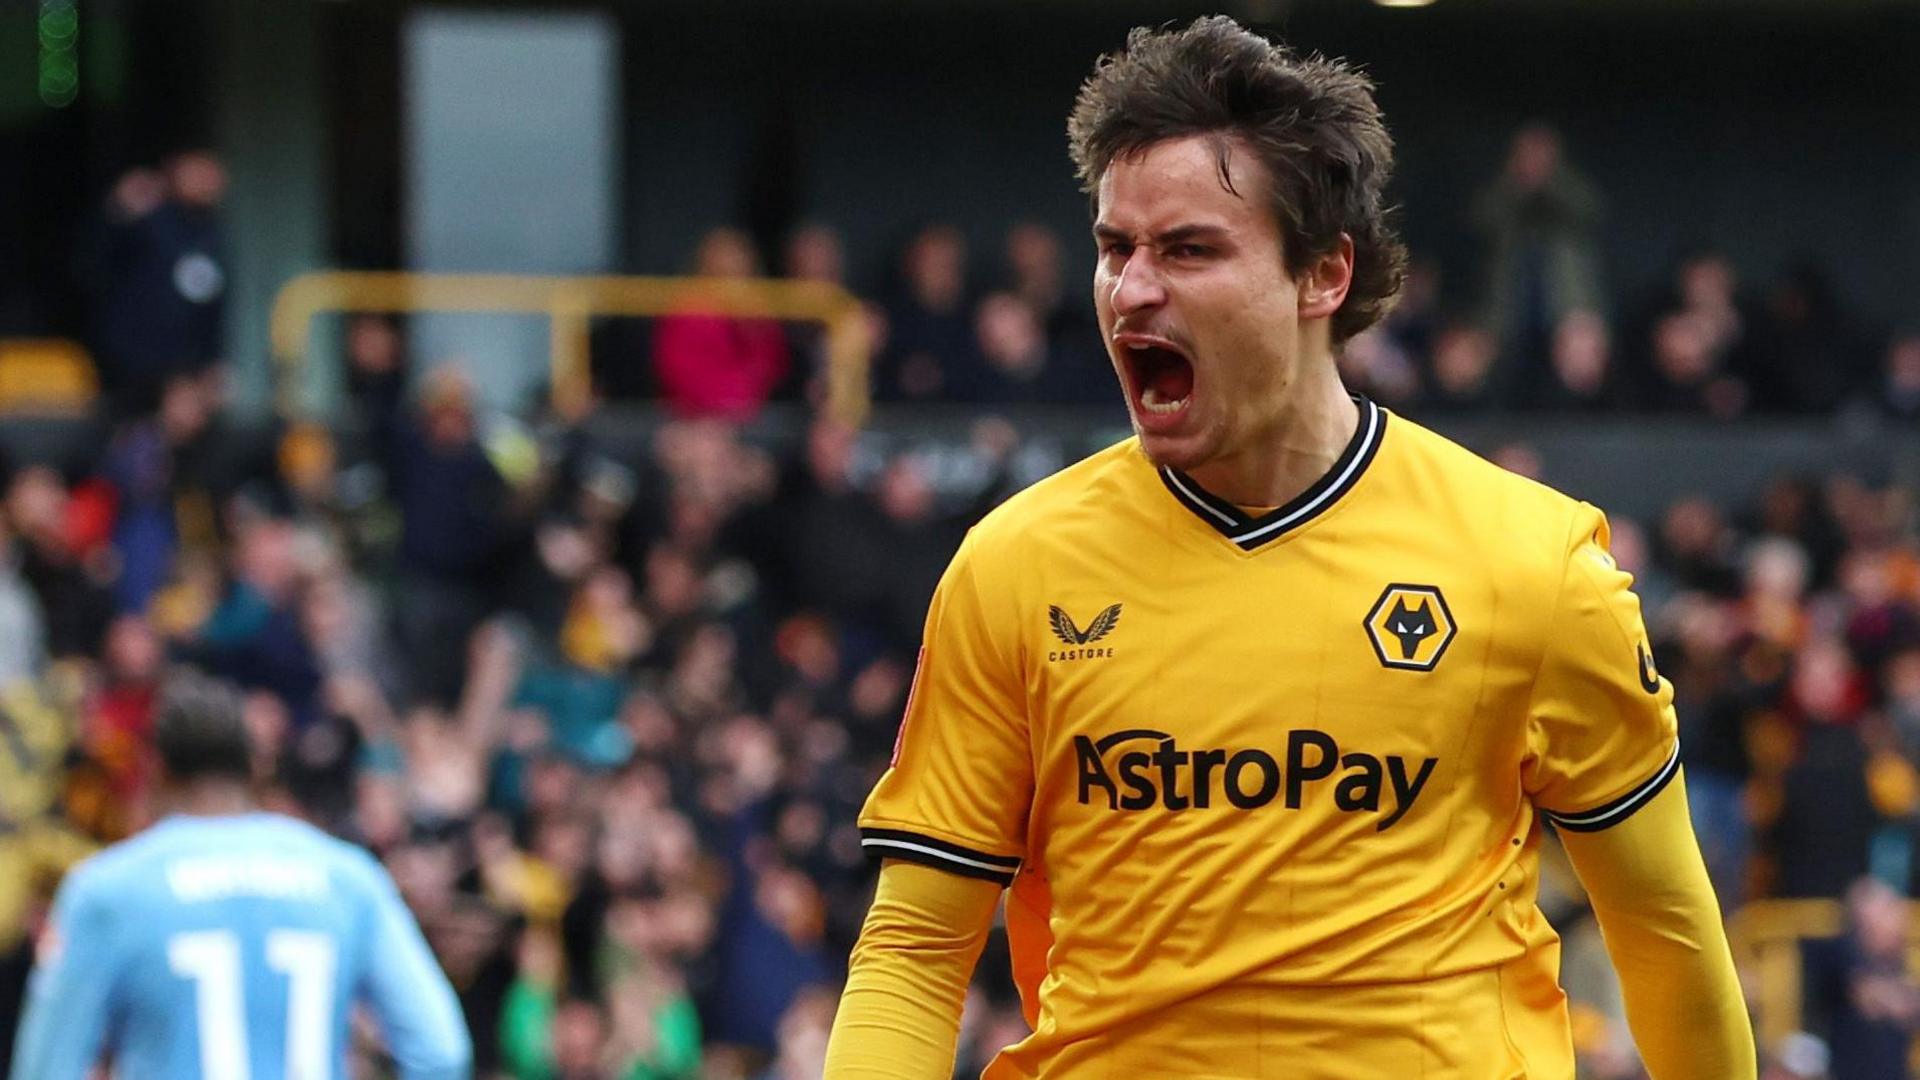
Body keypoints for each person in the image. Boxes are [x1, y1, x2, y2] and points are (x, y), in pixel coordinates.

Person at [824, 17, 1752, 1079]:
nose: (1131, 290)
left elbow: (1668, 936)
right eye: (1114, 248)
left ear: (1323, 275)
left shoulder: (1531, 566)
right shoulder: (1015, 567)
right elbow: (913, 951)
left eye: (1188, 249)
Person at [8, 668, 472, 1079]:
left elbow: (47, 1068)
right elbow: (441, 1051)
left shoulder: (108, 889)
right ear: (255, 767)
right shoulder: (347, 877)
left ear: (157, 769)